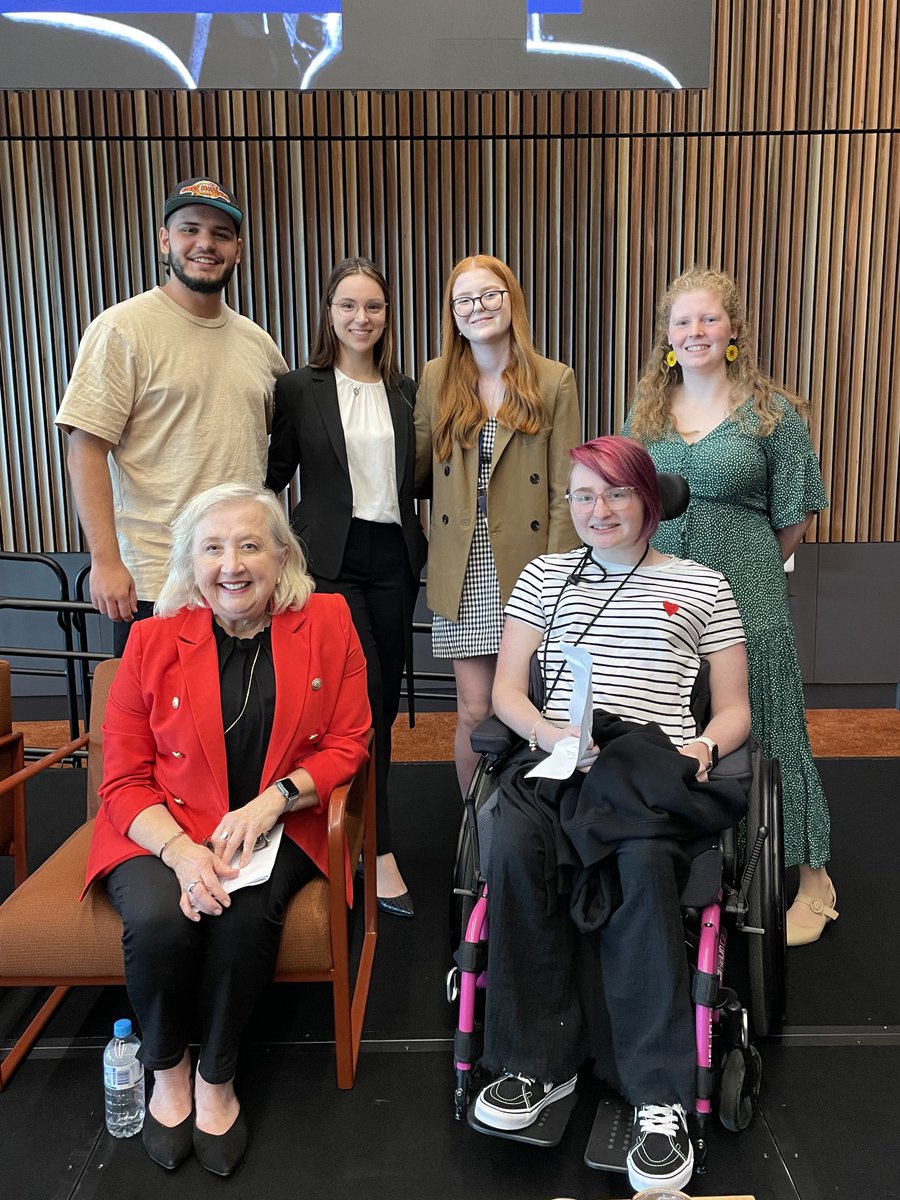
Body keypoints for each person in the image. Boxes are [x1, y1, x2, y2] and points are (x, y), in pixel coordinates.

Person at [473, 437, 750, 1195]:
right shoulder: (542, 576)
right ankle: (535, 1067)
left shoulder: (703, 585)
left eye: (617, 494)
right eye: (583, 497)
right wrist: (549, 734)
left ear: (649, 501)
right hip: (560, 761)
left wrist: (700, 749)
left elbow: (735, 711)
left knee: (641, 860)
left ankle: (659, 1097)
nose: (599, 511)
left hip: (648, 766)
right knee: (515, 843)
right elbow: (506, 693)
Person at [82, 483, 370, 1176]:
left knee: (243, 918)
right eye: (212, 547)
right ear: (191, 560)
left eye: (249, 545)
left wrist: (273, 801)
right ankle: (167, 1069)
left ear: (281, 557)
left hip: (279, 823)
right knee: (158, 921)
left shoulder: (328, 620)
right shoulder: (151, 640)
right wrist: (182, 854)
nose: (231, 565)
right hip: (160, 825)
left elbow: (349, 741)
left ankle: (216, 1074)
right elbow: (121, 780)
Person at [624, 267, 835, 947]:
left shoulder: (772, 413)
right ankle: (711, 857)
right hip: (661, 593)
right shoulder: (647, 413)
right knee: (681, 719)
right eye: (681, 323)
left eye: (708, 320)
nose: (695, 333)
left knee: (769, 722)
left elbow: (794, 518)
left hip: (746, 587)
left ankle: (811, 875)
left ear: (734, 329)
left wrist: (749, 570)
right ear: (666, 336)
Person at [56, 177, 288, 657]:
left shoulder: (257, 344)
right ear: (166, 240)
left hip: (240, 579)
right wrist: (105, 560)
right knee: (158, 726)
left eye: (221, 234)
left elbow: (280, 445)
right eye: (190, 229)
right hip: (159, 578)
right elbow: (85, 447)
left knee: (245, 721)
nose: (205, 243)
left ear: (238, 249)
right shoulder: (121, 329)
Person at [266, 257, 426, 918]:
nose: (362, 318)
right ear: (329, 314)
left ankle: (356, 822)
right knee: (354, 698)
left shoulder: (409, 392)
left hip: (395, 555)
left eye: (375, 307)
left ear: (388, 317)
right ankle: (376, 848)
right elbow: (271, 476)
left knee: (383, 700)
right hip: (328, 559)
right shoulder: (298, 389)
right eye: (348, 306)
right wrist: (266, 552)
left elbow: (423, 479)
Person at [415, 254, 581, 793]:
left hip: (531, 566)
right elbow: (415, 466)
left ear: (511, 301)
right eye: (464, 300)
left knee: (533, 706)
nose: (477, 308)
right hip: (462, 564)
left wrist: (560, 575)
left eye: (489, 295)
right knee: (474, 708)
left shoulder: (553, 380)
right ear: (453, 315)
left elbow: (566, 489)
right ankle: (477, 832)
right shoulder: (438, 377)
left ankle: (528, 823)